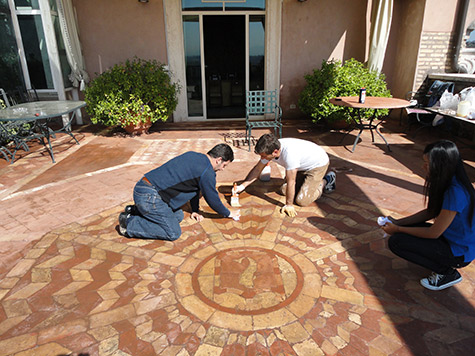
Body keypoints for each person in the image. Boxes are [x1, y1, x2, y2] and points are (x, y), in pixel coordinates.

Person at [382, 140, 475, 290]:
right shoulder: (449, 181)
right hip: (449, 238)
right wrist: (399, 222)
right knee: (409, 228)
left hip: (458, 252)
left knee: (397, 242)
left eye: (428, 163)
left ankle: (447, 273)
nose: (423, 166)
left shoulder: (456, 192)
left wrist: (397, 229)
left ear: (441, 165)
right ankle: (440, 262)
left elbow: (433, 233)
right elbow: (431, 212)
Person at [119, 143, 240, 240]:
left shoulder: (193, 155)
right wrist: (228, 213)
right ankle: (129, 223)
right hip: (150, 196)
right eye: (224, 165)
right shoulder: (207, 172)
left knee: (178, 215)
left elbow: (195, 187)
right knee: (173, 232)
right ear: (219, 160)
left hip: (142, 188)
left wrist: (194, 210)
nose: (223, 169)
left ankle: (134, 210)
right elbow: (212, 199)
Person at [235, 134, 335, 217]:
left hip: (317, 165)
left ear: (275, 152)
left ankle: (326, 180)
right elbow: (257, 169)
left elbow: (292, 181)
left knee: (302, 201)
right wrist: (242, 186)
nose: (262, 158)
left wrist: (289, 205)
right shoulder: (271, 147)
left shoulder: (290, 155)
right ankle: (307, 182)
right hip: (300, 166)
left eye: (264, 156)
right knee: (283, 190)